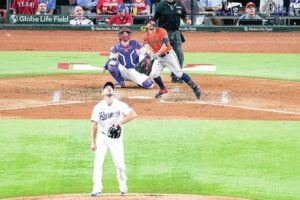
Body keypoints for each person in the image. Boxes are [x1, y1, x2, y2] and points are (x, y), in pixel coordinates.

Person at [90, 81, 137, 197]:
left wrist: (118, 124)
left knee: (120, 164)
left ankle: (123, 185)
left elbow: (133, 114)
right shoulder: (98, 107)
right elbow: (94, 125)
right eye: (106, 87)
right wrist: (93, 142)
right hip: (102, 137)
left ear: (113, 91)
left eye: (110, 87)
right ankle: (97, 188)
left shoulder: (120, 105)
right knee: (98, 162)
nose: (109, 88)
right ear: (103, 92)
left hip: (116, 140)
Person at [142, 16, 201, 99]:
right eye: (149, 22)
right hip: (159, 58)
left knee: (178, 74)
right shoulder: (145, 36)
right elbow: (147, 47)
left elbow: (165, 46)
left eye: (153, 21)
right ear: (146, 25)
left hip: (168, 55)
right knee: (154, 74)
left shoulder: (162, 31)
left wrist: (157, 54)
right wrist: (151, 54)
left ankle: (195, 87)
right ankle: (163, 89)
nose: (152, 23)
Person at [154, 0, 191, 83]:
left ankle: (176, 76)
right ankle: (149, 74)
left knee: (180, 55)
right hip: (163, 33)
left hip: (175, 32)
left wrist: (187, 21)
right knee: (159, 54)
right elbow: (154, 19)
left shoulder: (179, 4)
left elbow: (184, 16)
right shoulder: (160, 5)